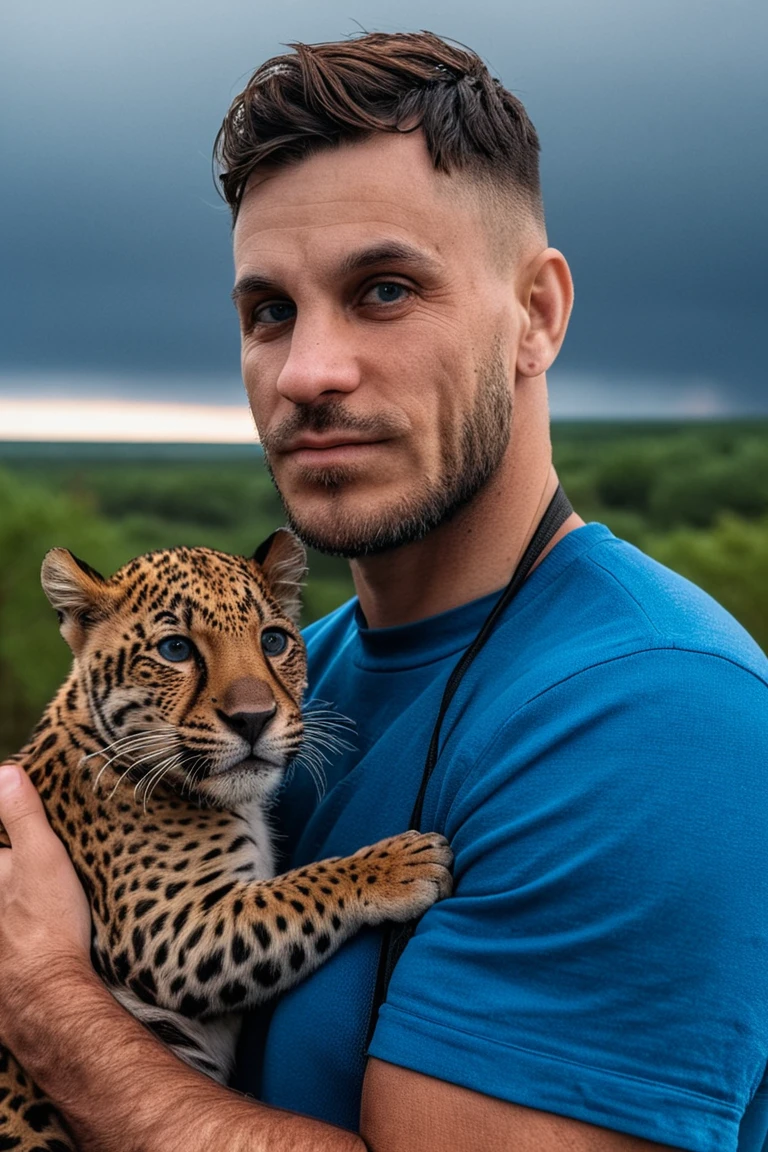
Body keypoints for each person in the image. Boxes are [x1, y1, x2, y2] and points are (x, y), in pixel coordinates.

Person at [1, 30, 767, 1152]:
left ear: (539, 316)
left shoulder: (660, 723)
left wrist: (49, 1009)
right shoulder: (295, 670)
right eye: (269, 311)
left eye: (386, 289)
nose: (309, 371)